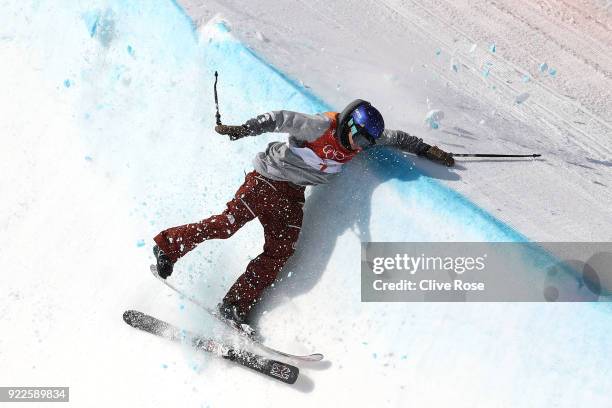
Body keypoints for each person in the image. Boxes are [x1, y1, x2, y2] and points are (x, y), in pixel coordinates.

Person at [152, 99, 454, 327]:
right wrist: (244, 129)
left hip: (292, 196)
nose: (360, 147)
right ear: (349, 124)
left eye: (366, 143)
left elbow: (398, 138)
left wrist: (428, 151)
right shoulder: (319, 127)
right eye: (359, 139)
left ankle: (234, 306)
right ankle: (167, 246)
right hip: (266, 181)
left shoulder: (362, 140)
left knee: (280, 252)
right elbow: (279, 119)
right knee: (226, 225)